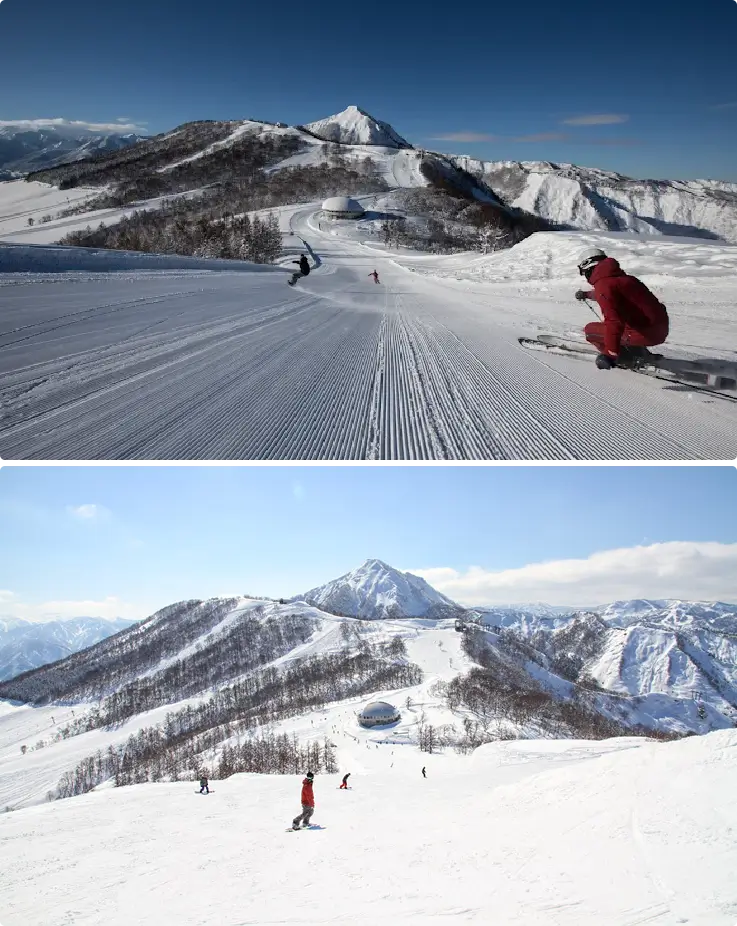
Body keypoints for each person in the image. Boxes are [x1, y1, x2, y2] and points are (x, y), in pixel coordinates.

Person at [574, 247, 669, 370]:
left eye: (583, 272)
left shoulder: (604, 285)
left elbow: (614, 322)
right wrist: (586, 294)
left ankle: (625, 359)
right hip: (659, 329)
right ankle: (640, 352)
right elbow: (611, 295)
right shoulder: (624, 279)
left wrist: (610, 353)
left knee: (590, 331)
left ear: (588, 267)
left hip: (645, 334)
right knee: (626, 325)